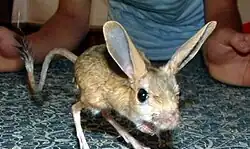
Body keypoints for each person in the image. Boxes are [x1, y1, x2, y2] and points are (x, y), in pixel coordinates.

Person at [0, 0, 250, 87]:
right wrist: (25, 50)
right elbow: (71, 17)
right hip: (120, 61)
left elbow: (223, 7)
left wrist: (220, 40)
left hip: (195, 61)